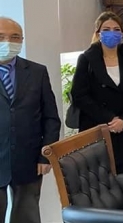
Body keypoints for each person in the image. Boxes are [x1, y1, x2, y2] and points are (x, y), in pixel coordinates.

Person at [0, 17, 60, 223]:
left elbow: (51, 118)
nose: (8, 42)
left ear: (22, 40)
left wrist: (46, 155)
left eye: (15, 37)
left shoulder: (37, 72)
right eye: (1, 37)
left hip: (29, 160)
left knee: (27, 216)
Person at [71, 12, 123, 174]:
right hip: (98, 127)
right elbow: (79, 95)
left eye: (116, 29)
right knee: (99, 179)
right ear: (98, 33)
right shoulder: (87, 59)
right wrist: (110, 119)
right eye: (106, 29)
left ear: (122, 33)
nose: (112, 33)